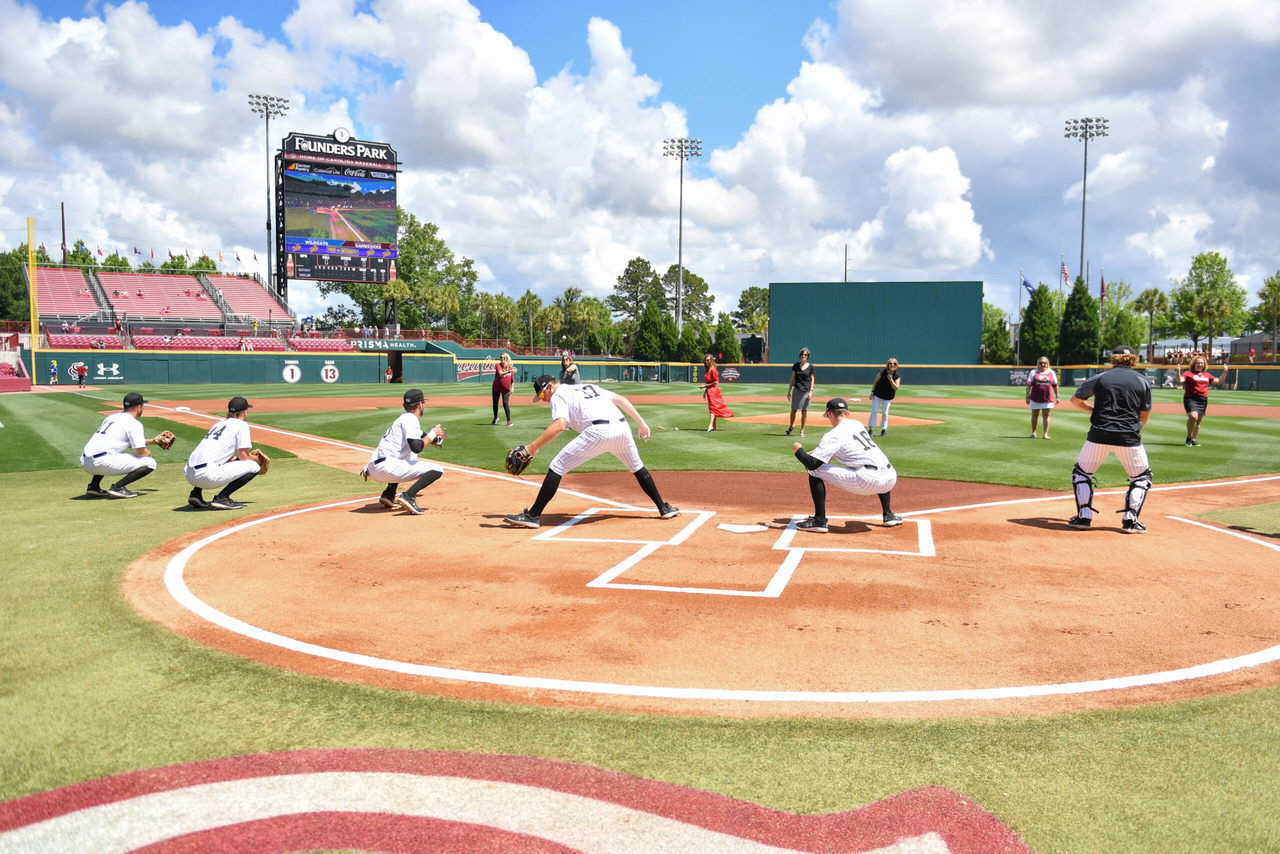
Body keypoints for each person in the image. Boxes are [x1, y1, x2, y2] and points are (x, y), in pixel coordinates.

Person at [503, 375, 678, 528]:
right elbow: (620, 399)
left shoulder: (558, 395)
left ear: (550, 386)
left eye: (542, 395)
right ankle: (663, 508)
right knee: (637, 466)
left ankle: (533, 516)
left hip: (598, 431)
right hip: (622, 428)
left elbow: (560, 425)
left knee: (557, 466)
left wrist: (532, 447)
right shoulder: (587, 387)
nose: (543, 400)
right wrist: (641, 422)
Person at [1067, 345, 1153, 533]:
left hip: (1099, 433)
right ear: (1134, 360)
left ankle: (1083, 517)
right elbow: (1143, 416)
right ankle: (1130, 520)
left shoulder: (1100, 377)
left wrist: (1094, 411)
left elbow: (1075, 400)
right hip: (1128, 436)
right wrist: (1130, 430)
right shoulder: (1143, 381)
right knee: (1141, 477)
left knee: (1082, 474)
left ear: (1113, 358)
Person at [791, 397, 902, 532]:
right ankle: (888, 514)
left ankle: (819, 520)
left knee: (814, 471)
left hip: (868, 481)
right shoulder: (857, 424)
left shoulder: (832, 435)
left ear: (829, 414)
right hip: (890, 478)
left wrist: (799, 451)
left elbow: (812, 464)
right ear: (847, 414)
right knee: (878, 462)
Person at [360, 388, 445, 515]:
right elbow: (417, 446)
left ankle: (389, 493)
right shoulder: (411, 419)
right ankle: (408, 496)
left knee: (407, 454)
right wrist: (433, 433)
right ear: (420, 404)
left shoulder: (403, 419)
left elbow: (421, 435)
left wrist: (433, 438)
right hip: (387, 468)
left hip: (372, 469)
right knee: (437, 469)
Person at [184, 396, 262, 510]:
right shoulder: (242, 425)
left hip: (188, 474)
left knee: (213, 461)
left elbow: (224, 456)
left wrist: (235, 460)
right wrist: (257, 459)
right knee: (254, 466)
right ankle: (222, 498)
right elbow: (244, 456)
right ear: (245, 412)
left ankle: (196, 493)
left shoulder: (219, 423)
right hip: (207, 477)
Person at [80, 392, 161, 498]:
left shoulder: (112, 417)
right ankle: (118, 487)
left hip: (85, 462)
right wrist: (148, 453)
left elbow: (123, 443)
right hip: (102, 463)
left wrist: (153, 441)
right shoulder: (134, 423)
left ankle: (94, 486)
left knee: (108, 451)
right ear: (138, 407)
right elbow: (140, 452)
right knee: (150, 462)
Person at [1177, 354, 1226, 447]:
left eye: (1202, 363)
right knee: (1193, 416)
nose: (1200, 365)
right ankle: (1189, 437)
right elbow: (1180, 380)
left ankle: (1193, 439)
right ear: (1194, 364)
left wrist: (1225, 372)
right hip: (1190, 398)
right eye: (1198, 363)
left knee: (1198, 420)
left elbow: (1218, 381)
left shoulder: (1207, 375)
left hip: (1202, 399)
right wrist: (1178, 372)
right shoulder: (1188, 373)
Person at [1025, 356, 1060, 439]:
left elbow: (1055, 385)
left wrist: (1057, 396)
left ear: (1047, 364)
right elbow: (1029, 385)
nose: (1043, 365)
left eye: (1045, 363)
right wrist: (1027, 397)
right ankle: (1034, 432)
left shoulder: (1051, 372)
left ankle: (1045, 434)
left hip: (1047, 398)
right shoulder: (1034, 372)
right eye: (1041, 363)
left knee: (1047, 415)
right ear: (1038, 364)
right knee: (1034, 415)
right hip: (1035, 398)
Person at [786, 348, 815, 437]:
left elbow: (812, 380)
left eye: (805, 355)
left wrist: (811, 391)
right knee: (793, 410)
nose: (803, 356)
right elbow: (792, 378)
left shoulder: (810, 367)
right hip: (797, 390)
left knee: (804, 410)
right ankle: (791, 426)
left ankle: (802, 430)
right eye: (802, 354)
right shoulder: (796, 366)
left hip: (806, 391)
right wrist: (789, 391)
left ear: (808, 356)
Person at [700, 354, 734, 431]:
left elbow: (716, 382)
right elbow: (709, 382)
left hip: (714, 391)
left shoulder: (713, 369)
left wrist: (705, 386)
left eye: (708, 360)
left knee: (712, 408)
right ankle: (714, 426)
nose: (706, 361)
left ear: (711, 361)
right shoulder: (708, 369)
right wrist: (705, 391)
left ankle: (710, 425)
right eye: (705, 360)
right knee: (713, 407)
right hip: (710, 390)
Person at [869, 358, 901, 436]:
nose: (892, 365)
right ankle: (870, 430)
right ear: (888, 364)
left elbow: (896, 388)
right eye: (890, 363)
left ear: (896, 366)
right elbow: (875, 382)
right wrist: (872, 391)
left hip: (888, 397)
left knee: (885, 413)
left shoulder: (897, 375)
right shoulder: (882, 372)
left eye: (894, 364)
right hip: (878, 394)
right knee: (874, 410)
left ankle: (883, 430)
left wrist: (891, 380)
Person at [491, 352, 516, 426]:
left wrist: (512, 387)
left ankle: (509, 421)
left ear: (507, 358)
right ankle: (495, 417)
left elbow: (512, 380)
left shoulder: (510, 368)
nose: (502, 359)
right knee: (495, 403)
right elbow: (501, 373)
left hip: (505, 389)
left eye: (504, 357)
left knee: (505, 403)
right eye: (501, 357)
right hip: (496, 387)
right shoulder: (498, 365)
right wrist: (509, 371)